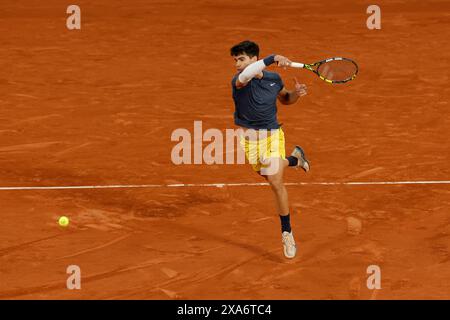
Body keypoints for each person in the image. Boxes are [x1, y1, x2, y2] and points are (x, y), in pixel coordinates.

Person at [230, 40, 310, 258]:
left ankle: (287, 232)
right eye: (235, 60)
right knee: (265, 172)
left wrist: (296, 93)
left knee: (275, 180)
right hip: (249, 142)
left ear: (254, 58)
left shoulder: (274, 79)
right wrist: (273, 57)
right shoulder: (239, 80)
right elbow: (248, 74)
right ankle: (295, 159)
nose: (237, 64)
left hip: (272, 136)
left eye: (242, 59)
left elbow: (285, 100)